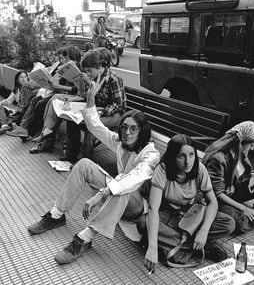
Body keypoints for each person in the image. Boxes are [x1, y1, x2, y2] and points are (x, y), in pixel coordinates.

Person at [27, 79, 160, 265]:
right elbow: (96, 126)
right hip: (116, 200)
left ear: (142, 131)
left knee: (123, 184)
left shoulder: (151, 154)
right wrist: (91, 98)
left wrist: (100, 194)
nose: (127, 133)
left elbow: (133, 179)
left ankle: (85, 238)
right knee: (83, 164)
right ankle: (56, 215)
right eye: (124, 127)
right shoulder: (122, 143)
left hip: (136, 208)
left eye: (133, 128)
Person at [140, 134, 235, 273]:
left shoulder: (200, 168)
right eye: (181, 156)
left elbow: (212, 202)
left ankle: (176, 244)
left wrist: (203, 231)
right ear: (172, 156)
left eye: (191, 155)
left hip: (189, 213)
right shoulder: (162, 170)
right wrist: (152, 248)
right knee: (143, 223)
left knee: (228, 223)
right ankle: (204, 246)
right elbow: (153, 209)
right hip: (166, 214)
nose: (188, 162)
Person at [7, 46, 82, 140]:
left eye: (66, 58)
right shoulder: (65, 67)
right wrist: (52, 81)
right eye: (63, 58)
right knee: (35, 98)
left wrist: (57, 86)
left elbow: (76, 89)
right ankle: (24, 128)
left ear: (74, 59)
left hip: (65, 95)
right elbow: (61, 82)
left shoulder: (79, 69)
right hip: (57, 91)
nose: (63, 60)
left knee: (40, 103)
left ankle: (31, 131)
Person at [64, 48, 126, 161]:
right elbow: (87, 97)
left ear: (99, 66)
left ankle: (85, 156)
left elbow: (119, 105)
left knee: (92, 123)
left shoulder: (114, 79)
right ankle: (71, 153)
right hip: (98, 110)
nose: (87, 73)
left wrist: (100, 111)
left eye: (89, 70)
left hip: (115, 115)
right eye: (86, 70)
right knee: (71, 120)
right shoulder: (93, 77)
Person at [0, 70, 34, 134]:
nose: (24, 79)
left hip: (24, 114)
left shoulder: (31, 89)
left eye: (25, 77)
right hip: (16, 113)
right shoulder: (16, 90)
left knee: (4, 120)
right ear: (17, 80)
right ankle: (5, 125)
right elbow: (9, 101)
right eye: (21, 77)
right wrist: (0, 103)